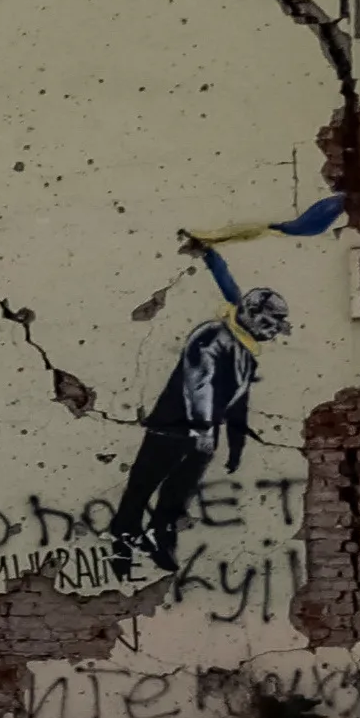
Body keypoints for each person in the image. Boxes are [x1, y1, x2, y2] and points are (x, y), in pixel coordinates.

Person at [108, 236, 280, 579]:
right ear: (250, 312)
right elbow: (197, 382)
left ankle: (159, 537)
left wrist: (235, 447)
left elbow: (238, 404)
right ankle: (121, 546)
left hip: (202, 436)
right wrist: (203, 429)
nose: (274, 329)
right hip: (171, 428)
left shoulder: (246, 354)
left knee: (175, 495)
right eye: (269, 320)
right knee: (141, 490)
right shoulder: (212, 336)